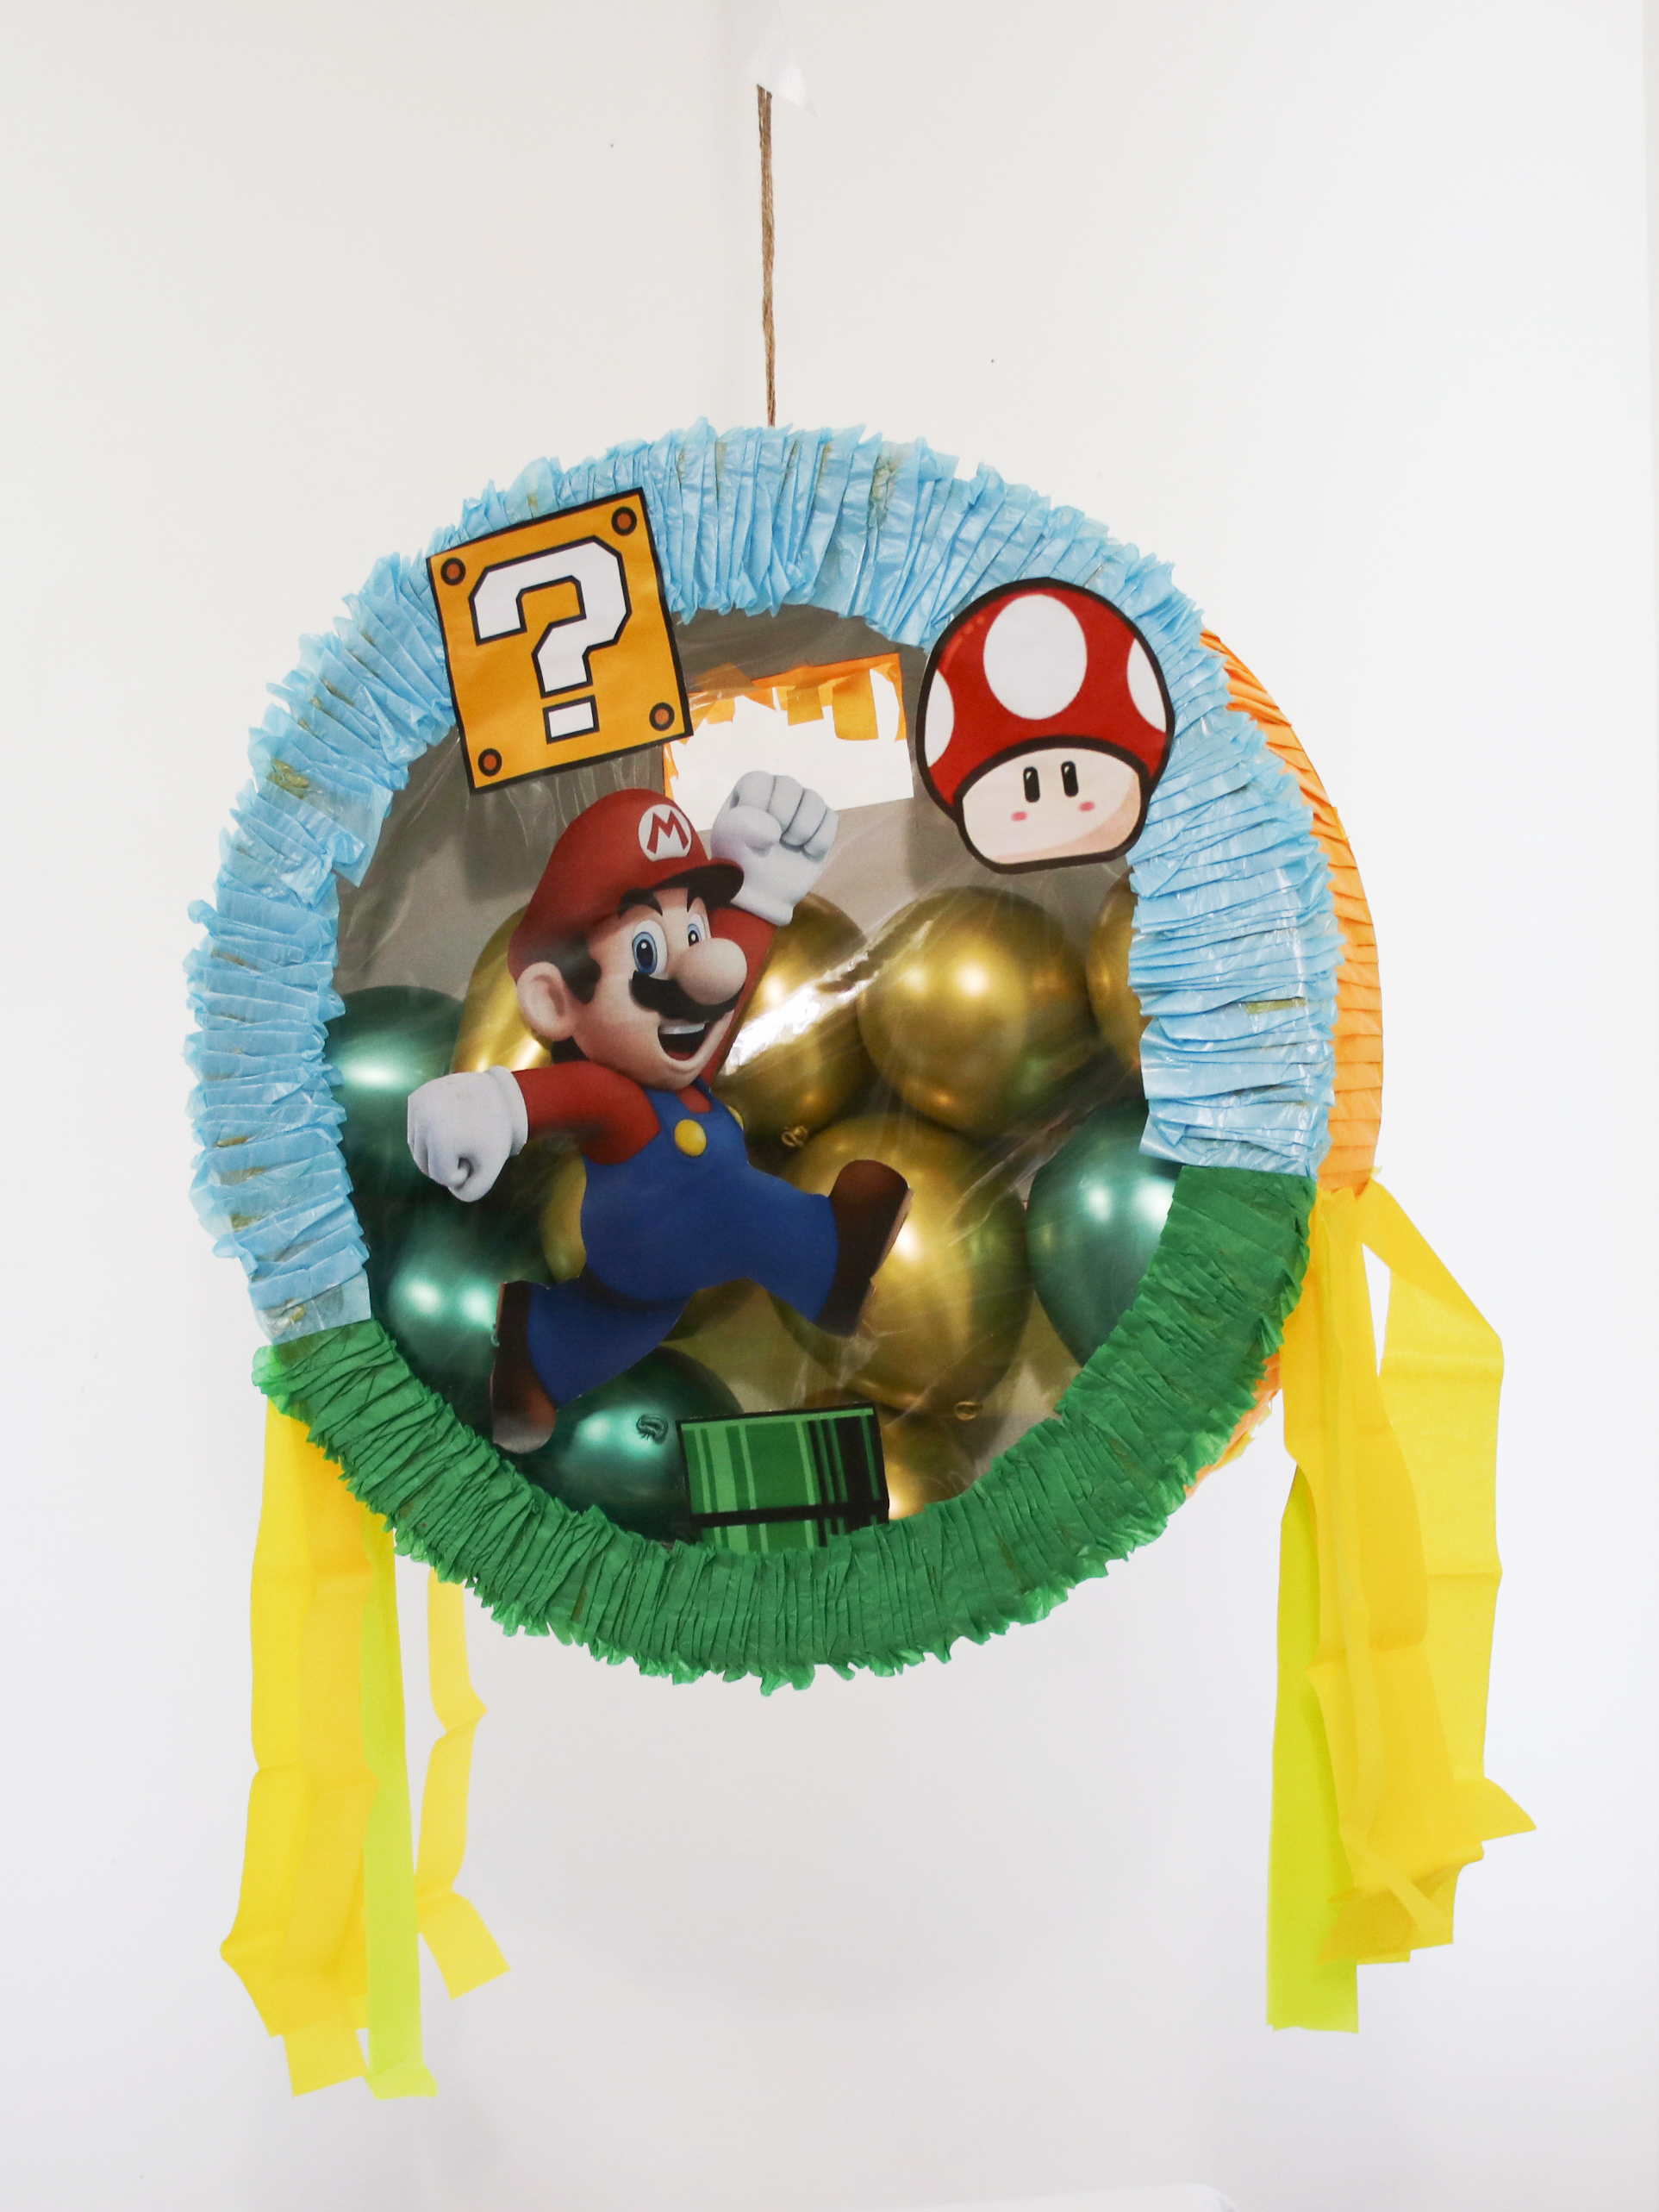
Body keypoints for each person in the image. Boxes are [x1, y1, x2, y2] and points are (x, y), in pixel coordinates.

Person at [404, 775, 909, 1452]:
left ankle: (539, 1352)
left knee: (627, 1321)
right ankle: (829, 1259)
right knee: (734, 1206)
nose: (709, 969)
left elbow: (732, 985)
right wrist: (491, 1105)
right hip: (659, 1226)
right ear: (556, 1002)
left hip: (646, 1267)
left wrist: (759, 897)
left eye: (697, 930)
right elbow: (561, 1094)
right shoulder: (616, 1099)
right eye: (647, 951)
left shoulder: (686, 1069)